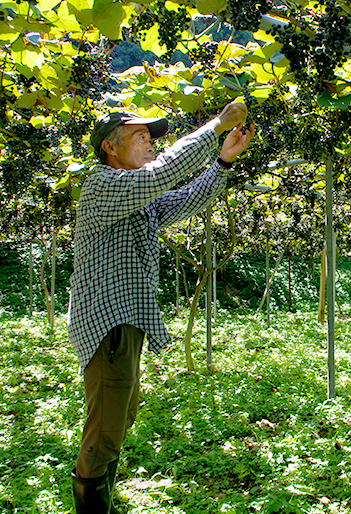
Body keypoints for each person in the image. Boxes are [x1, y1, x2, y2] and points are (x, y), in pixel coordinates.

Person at [67, 103, 254, 513]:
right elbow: (164, 173)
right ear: (111, 148)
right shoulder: (103, 185)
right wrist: (216, 126)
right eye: (141, 137)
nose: (151, 144)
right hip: (108, 323)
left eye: (151, 138)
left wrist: (223, 162)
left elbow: (184, 199)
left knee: (120, 417)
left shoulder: (138, 198)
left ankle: (101, 499)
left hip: (126, 322)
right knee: (105, 430)